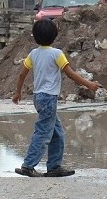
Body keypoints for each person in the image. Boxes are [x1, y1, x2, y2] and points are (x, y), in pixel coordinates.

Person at [13, 19, 100, 177]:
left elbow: (21, 74)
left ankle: (54, 166)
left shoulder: (33, 54)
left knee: (57, 133)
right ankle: (28, 165)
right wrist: (89, 84)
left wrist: (17, 92)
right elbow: (70, 74)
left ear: (36, 37)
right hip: (48, 99)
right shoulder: (57, 54)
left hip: (38, 98)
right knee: (43, 133)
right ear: (54, 36)